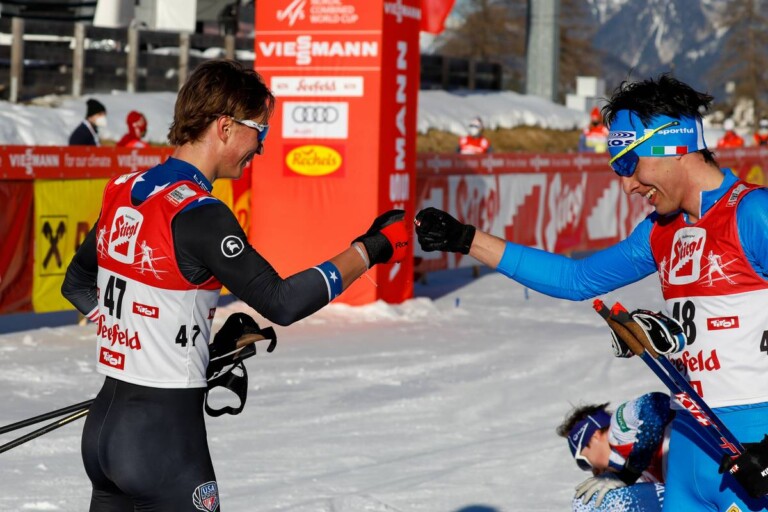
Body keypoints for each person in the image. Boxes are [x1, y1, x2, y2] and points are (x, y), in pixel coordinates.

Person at [61, 59, 409, 511]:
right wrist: (371, 249)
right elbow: (281, 302)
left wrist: (148, 342)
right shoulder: (202, 214)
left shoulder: (125, 188)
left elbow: (77, 282)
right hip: (163, 442)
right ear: (224, 126)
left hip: (105, 430)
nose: (261, 146)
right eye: (259, 130)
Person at [415, 74, 768, 510]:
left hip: (755, 444)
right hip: (692, 444)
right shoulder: (661, 232)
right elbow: (575, 280)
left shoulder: (753, 213)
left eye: (628, 163)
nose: (626, 184)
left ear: (670, 146)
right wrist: (466, 239)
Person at [557, 393, 673, 511]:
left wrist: (630, 473)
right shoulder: (636, 469)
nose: (594, 473)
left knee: (588, 503)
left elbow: (656, 402)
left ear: (594, 436)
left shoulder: (619, 431)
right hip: (685, 493)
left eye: (584, 462)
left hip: (689, 472)